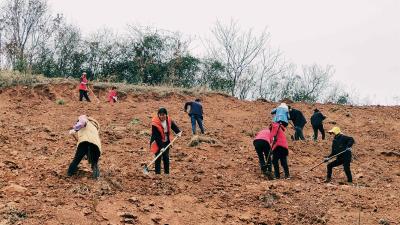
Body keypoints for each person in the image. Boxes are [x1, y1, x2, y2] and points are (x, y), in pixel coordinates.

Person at [150, 107, 182, 174]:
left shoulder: (168, 119)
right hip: (157, 141)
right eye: (160, 115)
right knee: (158, 157)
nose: (162, 116)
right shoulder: (155, 123)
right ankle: (157, 174)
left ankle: (167, 173)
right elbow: (157, 136)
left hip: (166, 140)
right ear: (158, 115)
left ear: (166, 115)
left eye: (163, 115)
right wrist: (161, 147)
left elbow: (173, 126)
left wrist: (178, 132)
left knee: (166, 157)